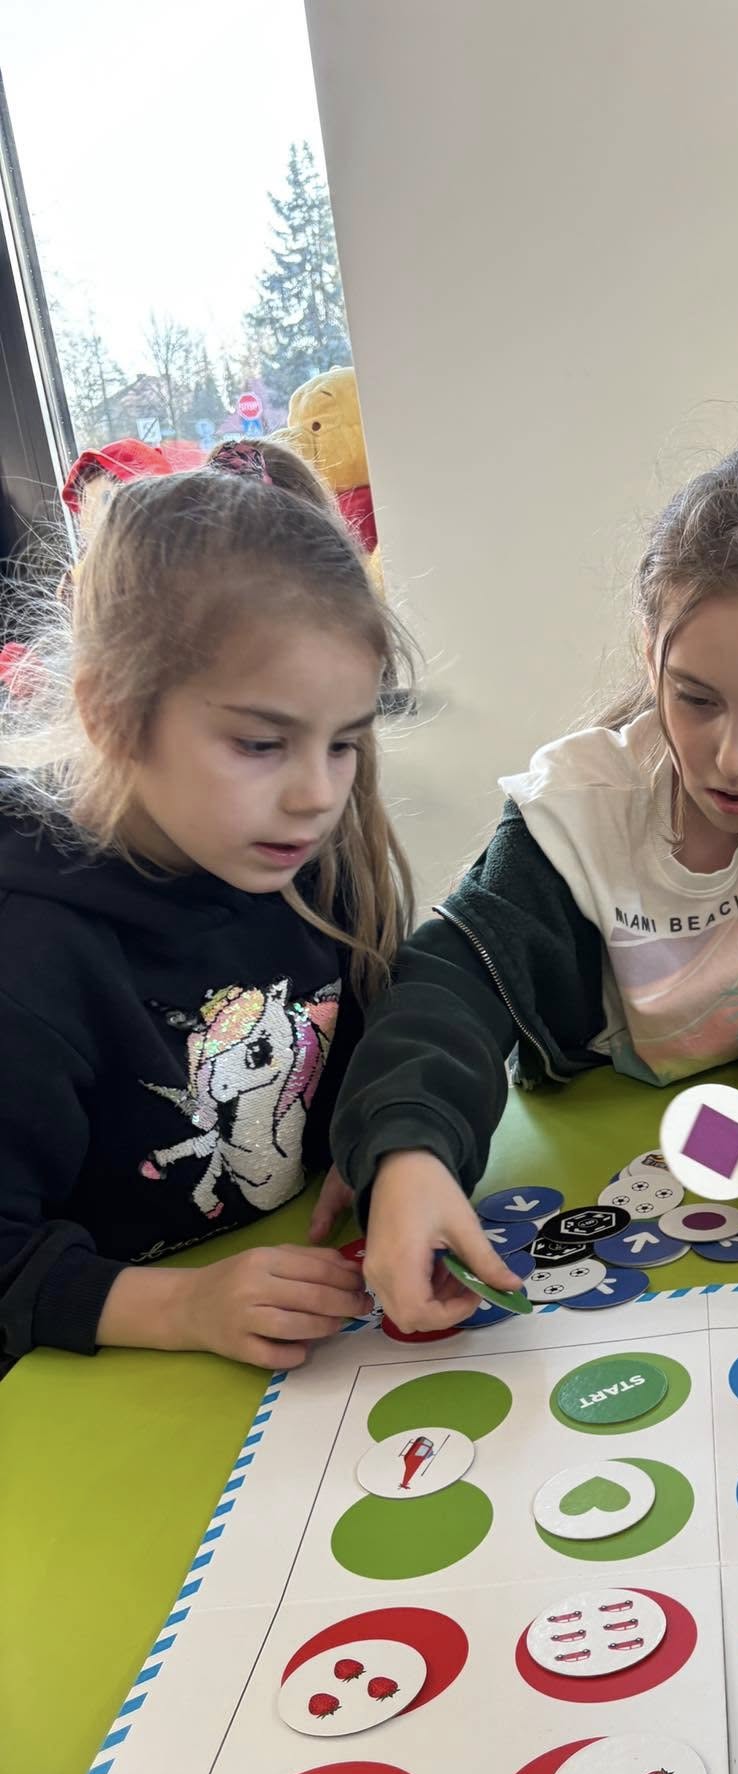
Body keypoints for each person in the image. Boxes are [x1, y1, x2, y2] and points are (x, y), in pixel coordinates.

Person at [333, 427, 738, 1330]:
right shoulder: (578, 811)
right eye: (695, 699)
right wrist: (409, 1150)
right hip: (582, 1135)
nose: (732, 759)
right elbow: (451, 983)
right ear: (649, 645)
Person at [0, 439, 415, 1371]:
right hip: (96, 1387)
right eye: (262, 745)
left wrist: (393, 1150)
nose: (318, 795)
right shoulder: (28, 950)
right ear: (111, 713)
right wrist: (185, 1306)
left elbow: (380, 1058)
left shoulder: (308, 863)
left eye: (344, 744)